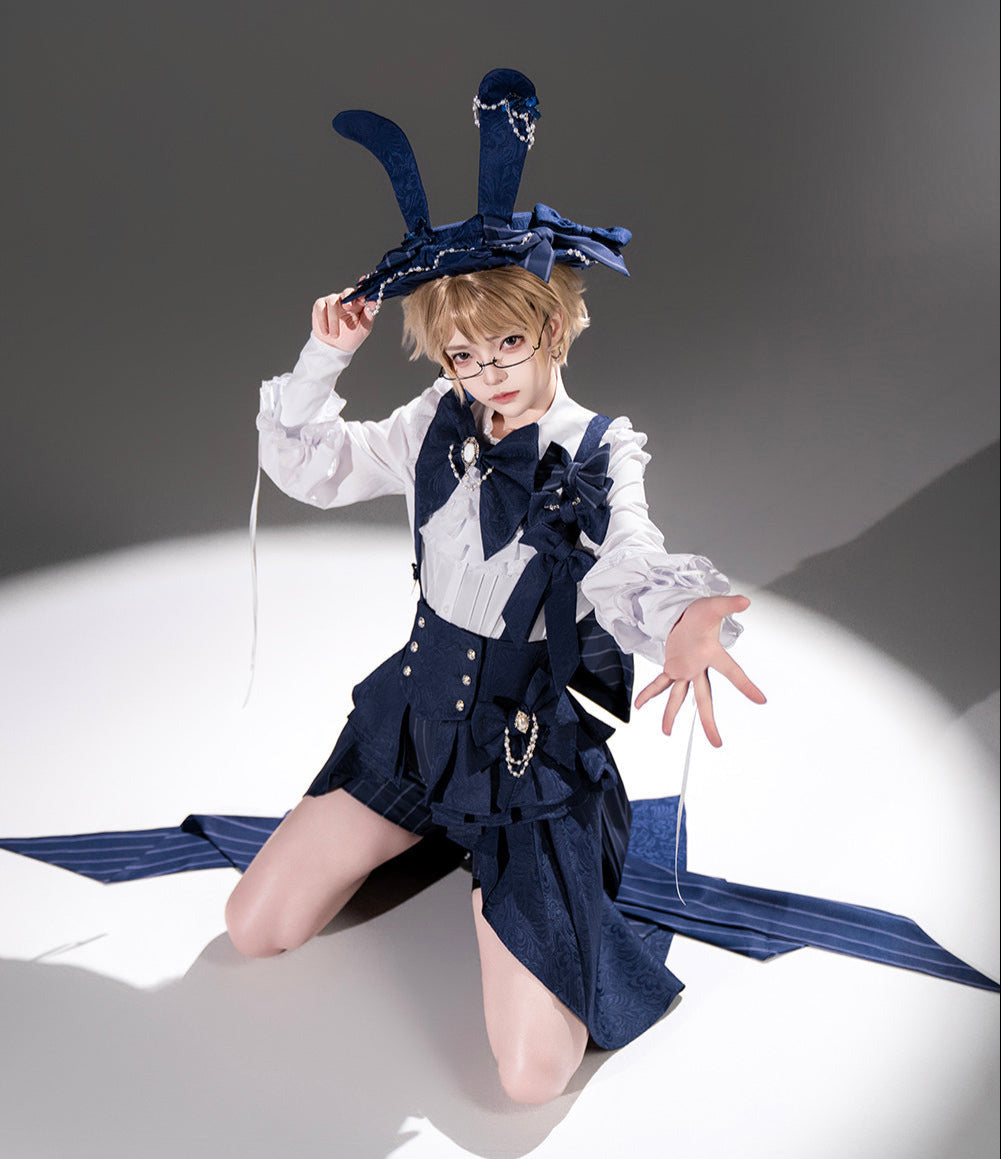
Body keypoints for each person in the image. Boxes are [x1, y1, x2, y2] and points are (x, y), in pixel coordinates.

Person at [226, 238, 765, 1103]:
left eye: (506, 343)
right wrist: (325, 354)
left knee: (530, 1077)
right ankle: (436, 828)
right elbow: (309, 466)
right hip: (411, 724)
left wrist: (680, 618)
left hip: (523, 757)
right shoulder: (432, 421)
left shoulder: (599, 451)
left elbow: (629, 558)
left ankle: (516, 861)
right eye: (462, 356)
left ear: (551, 326)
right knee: (253, 928)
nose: (488, 374)